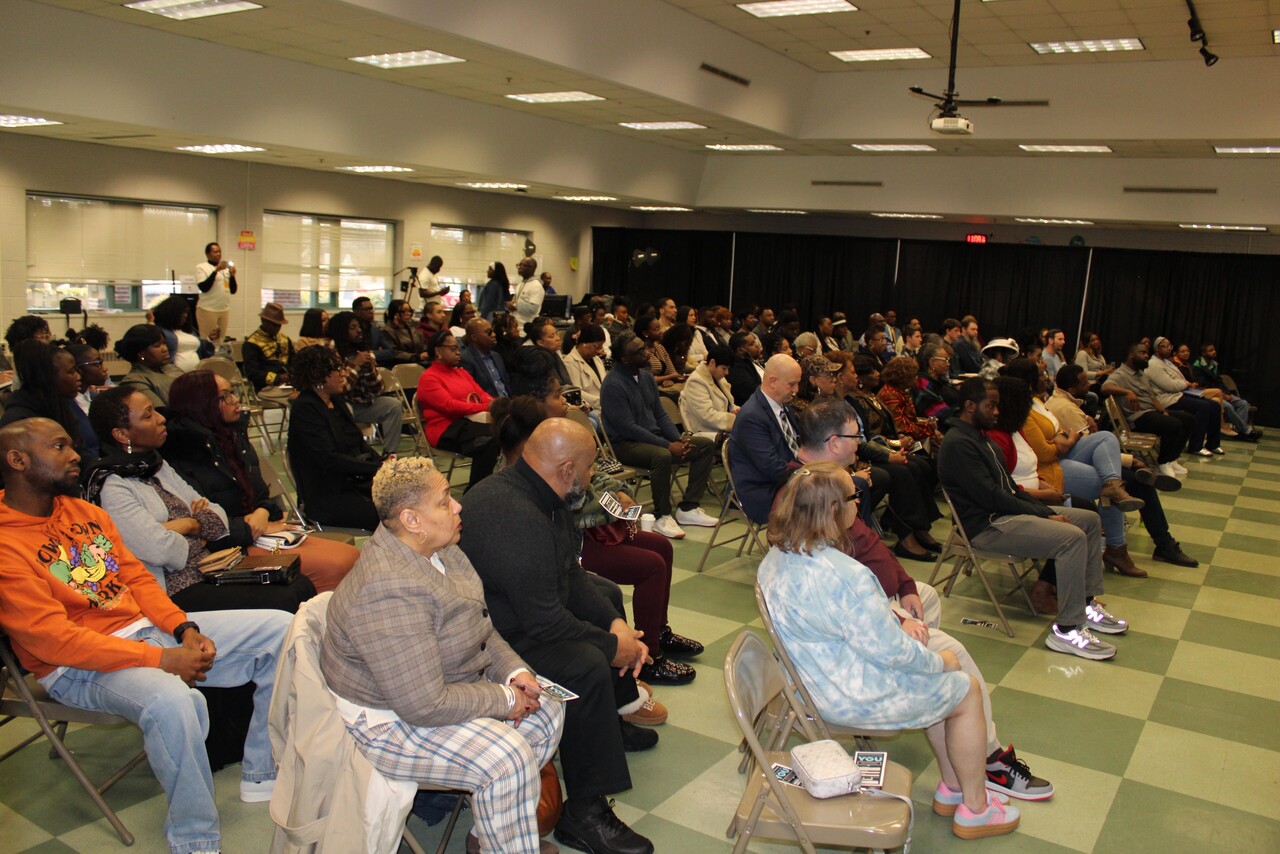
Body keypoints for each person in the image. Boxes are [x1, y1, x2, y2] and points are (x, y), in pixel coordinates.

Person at [0, 417, 289, 854]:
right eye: (59, 447)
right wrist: (160, 660)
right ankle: (194, 841)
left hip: (147, 631)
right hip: (75, 666)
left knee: (282, 631)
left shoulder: (85, 513)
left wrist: (183, 628)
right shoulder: (5, 543)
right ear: (18, 460)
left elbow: (137, 580)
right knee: (175, 700)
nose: (76, 454)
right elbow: (53, 641)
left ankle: (260, 772)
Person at [792, 400, 1053, 803]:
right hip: (839, 651)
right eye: (854, 435)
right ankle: (988, 758)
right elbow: (843, 593)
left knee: (924, 597)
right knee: (953, 656)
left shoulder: (820, 488)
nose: (860, 442)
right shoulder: (819, 494)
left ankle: (944, 721)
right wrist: (899, 625)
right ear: (832, 442)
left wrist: (905, 587)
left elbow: (868, 545)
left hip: (842, 616)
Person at [758, 462, 1021, 839]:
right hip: (844, 695)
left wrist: (899, 624)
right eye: (853, 495)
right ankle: (975, 809)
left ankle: (953, 788)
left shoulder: (777, 558)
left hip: (806, 681)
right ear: (834, 509)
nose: (858, 500)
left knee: (944, 683)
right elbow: (893, 654)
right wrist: (937, 661)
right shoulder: (844, 574)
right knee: (964, 687)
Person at [322, 457, 565, 854]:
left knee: (548, 708)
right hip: (385, 720)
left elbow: (481, 628)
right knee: (507, 757)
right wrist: (505, 699)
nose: (457, 507)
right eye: (444, 500)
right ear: (412, 520)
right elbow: (423, 704)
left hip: (434, 685)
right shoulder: (387, 590)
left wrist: (514, 673)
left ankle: (492, 833)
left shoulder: (440, 549)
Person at [460, 419, 657, 854]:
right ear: (567, 469)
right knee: (585, 662)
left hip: (521, 617)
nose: (591, 480)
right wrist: (611, 647)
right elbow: (544, 622)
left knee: (605, 597)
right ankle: (584, 814)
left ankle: (609, 718)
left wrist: (615, 626)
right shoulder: (513, 515)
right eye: (588, 471)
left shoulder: (543, 496)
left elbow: (570, 572)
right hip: (491, 643)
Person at [492, 398, 703, 686]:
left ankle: (658, 631)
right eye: (556, 395)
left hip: (593, 533)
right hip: (580, 544)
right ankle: (650, 653)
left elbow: (602, 473)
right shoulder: (530, 475)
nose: (565, 402)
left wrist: (616, 490)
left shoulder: (569, 450)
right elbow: (576, 508)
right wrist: (607, 504)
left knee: (661, 546)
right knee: (650, 566)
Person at [938, 379, 1128, 660]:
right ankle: (1066, 630)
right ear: (969, 406)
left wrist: (1045, 508)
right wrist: (1045, 513)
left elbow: (1010, 490)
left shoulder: (982, 437)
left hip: (1006, 514)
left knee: (1087, 520)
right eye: (990, 406)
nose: (996, 412)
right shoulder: (958, 444)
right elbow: (992, 498)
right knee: (1071, 537)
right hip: (988, 526)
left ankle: (1085, 605)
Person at [85, 385, 317, 612]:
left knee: (300, 585)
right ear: (122, 434)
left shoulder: (155, 464)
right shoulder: (110, 484)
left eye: (155, 410)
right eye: (148, 415)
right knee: (285, 598)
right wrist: (195, 526)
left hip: (210, 568)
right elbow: (159, 550)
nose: (161, 419)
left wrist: (189, 524)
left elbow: (218, 518)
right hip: (173, 590)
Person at [162, 370, 359, 593]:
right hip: (229, 549)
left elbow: (260, 495)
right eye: (224, 396)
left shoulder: (233, 438)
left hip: (258, 532)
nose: (235, 400)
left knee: (352, 557)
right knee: (339, 564)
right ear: (200, 404)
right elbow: (204, 524)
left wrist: (262, 513)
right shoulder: (181, 457)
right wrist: (252, 527)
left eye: (232, 393)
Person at [1045, 365, 1198, 568]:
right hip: (1066, 465)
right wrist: (1128, 460)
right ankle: (1158, 544)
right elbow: (1089, 450)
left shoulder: (1063, 403)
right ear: (1072, 389)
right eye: (1084, 382)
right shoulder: (1065, 409)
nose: (1089, 384)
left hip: (1078, 459)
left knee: (1120, 475)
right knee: (1127, 483)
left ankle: (1140, 537)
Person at [600, 332, 718, 540]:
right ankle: (662, 515)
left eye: (644, 348)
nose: (647, 353)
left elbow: (660, 414)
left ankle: (688, 507)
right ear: (626, 359)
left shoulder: (646, 377)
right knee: (662, 456)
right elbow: (628, 427)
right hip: (626, 445)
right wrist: (667, 445)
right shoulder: (612, 384)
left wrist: (678, 440)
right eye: (639, 352)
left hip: (653, 439)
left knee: (704, 445)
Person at [287, 345, 384, 530]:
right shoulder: (305, 408)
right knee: (394, 514)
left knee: (408, 497)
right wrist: (375, 468)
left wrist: (383, 463)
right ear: (319, 376)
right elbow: (329, 459)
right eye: (337, 369)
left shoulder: (336, 400)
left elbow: (358, 442)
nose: (343, 373)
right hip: (329, 494)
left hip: (355, 480)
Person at [417, 329, 500, 491]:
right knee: (491, 439)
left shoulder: (460, 372)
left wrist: (496, 404)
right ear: (438, 351)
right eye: (453, 348)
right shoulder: (429, 377)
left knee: (505, 431)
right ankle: (476, 491)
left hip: (470, 423)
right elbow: (449, 406)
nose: (458, 353)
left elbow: (482, 394)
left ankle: (483, 489)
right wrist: (485, 406)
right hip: (446, 429)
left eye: (459, 348)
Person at [728, 354, 805, 525]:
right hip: (764, 490)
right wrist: (812, 475)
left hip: (787, 481)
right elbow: (772, 468)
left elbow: (799, 447)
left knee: (851, 485)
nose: (796, 390)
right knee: (830, 495)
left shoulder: (783, 406)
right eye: (792, 384)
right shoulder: (752, 417)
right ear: (772, 381)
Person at [1103, 342, 1196, 479]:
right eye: (1142, 353)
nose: (1146, 355)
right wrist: (1127, 391)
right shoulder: (1120, 374)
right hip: (1137, 417)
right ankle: (1163, 462)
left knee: (1188, 419)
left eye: (1147, 353)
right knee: (1173, 424)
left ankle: (1172, 458)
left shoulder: (1141, 374)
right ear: (1131, 355)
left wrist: (1163, 411)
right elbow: (1105, 388)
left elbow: (1152, 397)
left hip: (1151, 411)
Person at [1, 340, 98, 464]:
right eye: (71, 372)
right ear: (48, 376)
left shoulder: (63, 406)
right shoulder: (18, 421)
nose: (78, 377)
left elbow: (82, 453)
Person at [329, 310, 402, 447]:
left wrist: (369, 370)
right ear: (341, 332)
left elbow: (379, 389)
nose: (359, 331)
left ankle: (389, 453)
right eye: (352, 328)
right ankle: (351, 451)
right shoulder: (333, 355)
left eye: (359, 327)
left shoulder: (365, 354)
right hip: (340, 406)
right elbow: (340, 388)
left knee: (393, 405)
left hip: (363, 404)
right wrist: (356, 365)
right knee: (347, 408)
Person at [1145, 336, 1223, 458]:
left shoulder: (1167, 362)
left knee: (1215, 405)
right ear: (1156, 348)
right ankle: (1196, 446)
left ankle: (1212, 444)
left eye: (1169, 346)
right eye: (1164, 346)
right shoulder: (1153, 364)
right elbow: (1170, 385)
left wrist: (1183, 384)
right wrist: (1185, 384)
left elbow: (1179, 380)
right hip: (1167, 399)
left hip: (1178, 394)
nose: (1168, 349)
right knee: (1203, 407)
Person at [1191, 342, 1259, 440]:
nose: (1214, 352)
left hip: (1221, 392)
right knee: (1229, 407)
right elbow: (1203, 385)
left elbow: (1219, 381)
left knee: (1242, 403)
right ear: (1203, 353)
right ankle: (1246, 431)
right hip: (1209, 394)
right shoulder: (1197, 366)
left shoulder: (1214, 364)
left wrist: (1227, 393)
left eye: (1214, 350)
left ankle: (1239, 432)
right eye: (1210, 350)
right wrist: (1223, 395)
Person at [878, 354, 945, 449]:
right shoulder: (890, 395)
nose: (917, 378)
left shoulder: (899, 390)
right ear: (903, 377)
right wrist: (930, 429)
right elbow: (902, 428)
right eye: (914, 375)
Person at [116, 323, 184, 407]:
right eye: (157, 346)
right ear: (141, 353)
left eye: (164, 343)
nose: (165, 349)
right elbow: (161, 412)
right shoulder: (135, 380)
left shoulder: (173, 368)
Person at [678, 344, 737, 437]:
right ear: (712, 363)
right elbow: (707, 416)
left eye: (728, 369)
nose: (727, 373)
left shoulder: (718, 377)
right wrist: (736, 419)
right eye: (724, 368)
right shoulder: (695, 381)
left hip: (723, 430)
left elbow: (729, 404)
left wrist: (736, 410)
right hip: (706, 433)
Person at [241, 302, 294, 394]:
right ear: (263, 321)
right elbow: (252, 373)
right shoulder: (251, 344)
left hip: (289, 384)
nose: (277, 328)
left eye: (279, 325)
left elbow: (294, 361)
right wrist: (278, 378)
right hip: (265, 387)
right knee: (294, 399)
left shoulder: (285, 339)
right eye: (274, 325)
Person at [513, 317, 572, 397]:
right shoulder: (538, 359)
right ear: (540, 342)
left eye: (556, 334)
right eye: (551, 336)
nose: (558, 338)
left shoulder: (554, 354)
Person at [153, 295, 212, 372]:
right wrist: (151, 321)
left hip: (195, 373)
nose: (185, 315)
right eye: (182, 312)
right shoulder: (162, 332)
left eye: (187, 312)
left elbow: (200, 348)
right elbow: (150, 339)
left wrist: (210, 339)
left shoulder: (189, 331)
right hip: (173, 373)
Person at [194, 241, 237, 341]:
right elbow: (204, 287)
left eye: (220, 252)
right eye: (215, 252)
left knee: (220, 340)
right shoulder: (202, 267)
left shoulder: (226, 269)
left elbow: (233, 290)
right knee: (208, 339)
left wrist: (232, 275)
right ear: (208, 254)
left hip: (223, 309)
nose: (218, 254)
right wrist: (215, 271)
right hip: (208, 309)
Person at [563, 324, 608, 409]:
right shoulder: (570, 362)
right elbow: (578, 393)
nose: (599, 351)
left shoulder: (597, 359)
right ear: (584, 343)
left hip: (604, 404)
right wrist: (602, 401)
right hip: (589, 409)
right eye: (597, 346)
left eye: (601, 346)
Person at [636, 314, 681, 387]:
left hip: (664, 386)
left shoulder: (660, 348)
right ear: (645, 333)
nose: (661, 331)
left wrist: (669, 379)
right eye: (656, 329)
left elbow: (673, 373)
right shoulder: (640, 351)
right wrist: (668, 378)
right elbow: (647, 380)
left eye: (660, 328)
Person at [351, 296, 396, 367]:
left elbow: (391, 351)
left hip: (374, 366)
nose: (371, 312)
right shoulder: (350, 331)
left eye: (372, 309)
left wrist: (371, 354)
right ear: (356, 311)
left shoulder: (375, 330)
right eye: (367, 309)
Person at [378, 299, 426, 363]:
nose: (408, 313)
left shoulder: (412, 328)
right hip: (398, 365)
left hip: (417, 362)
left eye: (410, 311)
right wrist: (416, 357)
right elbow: (393, 352)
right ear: (395, 314)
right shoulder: (386, 331)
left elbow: (422, 346)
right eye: (404, 311)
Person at [727, 330, 765, 405]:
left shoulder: (746, 361)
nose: (757, 345)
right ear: (740, 350)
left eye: (755, 341)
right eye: (751, 344)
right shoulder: (736, 369)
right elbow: (752, 391)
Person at [511, 257, 545, 328]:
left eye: (523, 265)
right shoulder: (521, 284)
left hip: (526, 329)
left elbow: (533, 309)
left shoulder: (536, 285)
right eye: (519, 265)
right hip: (516, 327)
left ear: (532, 268)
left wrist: (515, 305)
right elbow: (516, 302)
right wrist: (510, 305)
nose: (519, 267)